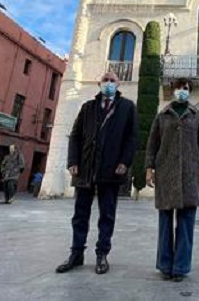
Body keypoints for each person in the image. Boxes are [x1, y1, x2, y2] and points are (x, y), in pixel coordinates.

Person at [56, 72, 138, 275]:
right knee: (80, 214)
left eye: (112, 81)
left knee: (107, 214)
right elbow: (75, 136)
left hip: (111, 169)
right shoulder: (87, 107)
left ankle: (102, 254)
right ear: (99, 83)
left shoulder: (127, 107)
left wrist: (124, 162)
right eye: (105, 80)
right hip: (85, 168)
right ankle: (76, 253)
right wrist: (73, 161)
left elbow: (132, 138)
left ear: (118, 84)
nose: (108, 84)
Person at [145, 78, 199, 282]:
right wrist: (149, 168)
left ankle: (181, 267)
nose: (182, 91)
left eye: (185, 88)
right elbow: (152, 143)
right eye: (178, 88)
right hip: (165, 172)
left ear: (189, 92)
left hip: (190, 174)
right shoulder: (162, 116)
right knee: (165, 222)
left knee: (186, 223)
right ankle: (165, 265)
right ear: (173, 90)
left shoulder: (197, 115)